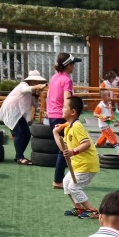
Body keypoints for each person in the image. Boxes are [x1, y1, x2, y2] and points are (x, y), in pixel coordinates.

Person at [52, 96, 102, 219]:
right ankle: (79, 208)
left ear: (73, 112)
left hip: (87, 164)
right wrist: (55, 133)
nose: (62, 109)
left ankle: (93, 211)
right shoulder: (68, 127)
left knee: (74, 187)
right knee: (66, 183)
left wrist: (73, 152)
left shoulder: (77, 126)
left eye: (64, 107)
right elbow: (63, 149)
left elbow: (87, 143)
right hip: (78, 165)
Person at [46, 54, 79, 188]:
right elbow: (67, 99)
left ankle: (62, 178)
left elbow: (49, 96)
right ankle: (58, 180)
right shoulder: (66, 80)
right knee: (64, 149)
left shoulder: (54, 78)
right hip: (61, 116)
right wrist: (72, 115)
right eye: (73, 64)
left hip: (52, 115)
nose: (74, 66)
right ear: (68, 65)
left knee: (63, 147)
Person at [0, 70, 46, 165]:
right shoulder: (23, 85)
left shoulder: (31, 91)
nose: (37, 83)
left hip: (18, 113)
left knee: (27, 134)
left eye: (38, 82)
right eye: (36, 81)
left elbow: (35, 105)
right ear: (31, 81)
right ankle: (20, 157)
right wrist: (37, 87)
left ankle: (19, 156)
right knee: (18, 134)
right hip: (11, 111)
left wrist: (36, 96)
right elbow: (25, 90)